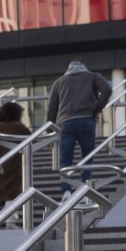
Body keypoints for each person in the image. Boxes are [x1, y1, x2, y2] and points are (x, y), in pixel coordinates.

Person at [47, 60, 112, 193]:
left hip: (65, 123)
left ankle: (66, 191)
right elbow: (107, 89)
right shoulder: (93, 76)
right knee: (88, 157)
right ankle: (84, 187)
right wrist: (97, 108)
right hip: (86, 120)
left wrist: (49, 131)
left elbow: (52, 108)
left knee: (65, 160)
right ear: (84, 68)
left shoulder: (59, 82)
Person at [0, 100, 32, 218]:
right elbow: (32, 142)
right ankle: (10, 222)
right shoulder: (19, 127)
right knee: (11, 196)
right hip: (13, 167)